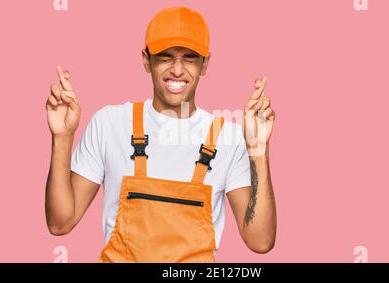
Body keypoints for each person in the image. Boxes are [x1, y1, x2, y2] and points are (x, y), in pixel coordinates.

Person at [45, 6, 276, 262]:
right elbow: (60, 223)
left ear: (205, 64)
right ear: (146, 60)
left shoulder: (227, 138)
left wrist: (259, 149)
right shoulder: (109, 123)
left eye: (189, 57)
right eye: (165, 56)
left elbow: (261, 241)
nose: (177, 70)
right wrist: (62, 137)